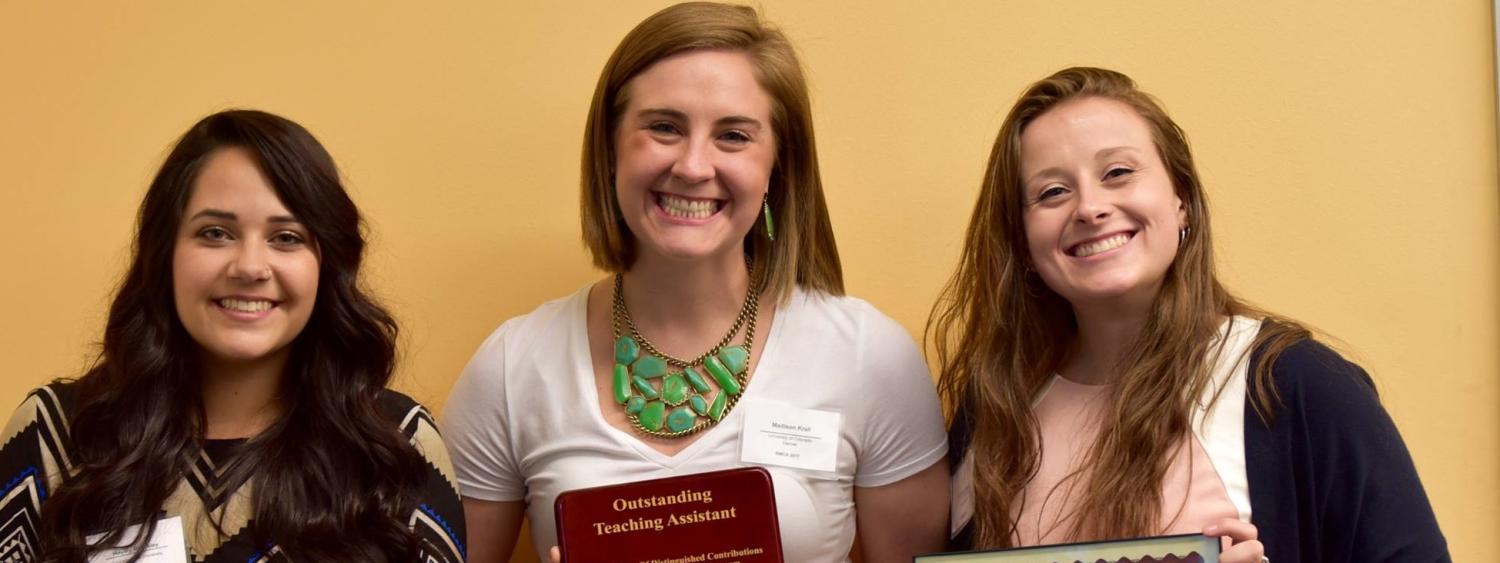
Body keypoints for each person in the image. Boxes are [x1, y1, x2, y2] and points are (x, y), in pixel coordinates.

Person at [442, 3, 949, 561]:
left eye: (733, 136)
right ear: (610, 148)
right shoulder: (512, 367)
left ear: (776, 167)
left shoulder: (870, 356)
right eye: (664, 127)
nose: (693, 165)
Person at [931, 67, 1452, 563]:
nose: (1089, 208)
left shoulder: (1296, 384)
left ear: (1181, 201)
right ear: (1022, 241)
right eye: (1051, 192)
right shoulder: (996, 402)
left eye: (1118, 173)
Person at [0, 110, 467, 562]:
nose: (249, 267)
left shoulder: (396, 445)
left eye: (286, 237)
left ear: (327, 265)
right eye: (216, 232)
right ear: (165, 254)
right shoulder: (54, 433)